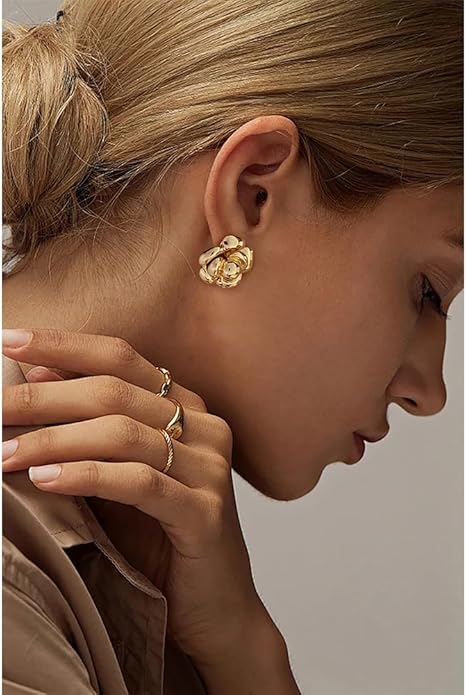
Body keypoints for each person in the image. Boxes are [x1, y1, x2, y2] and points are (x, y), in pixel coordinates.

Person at [2, 0, 463, 693]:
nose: (430, 392)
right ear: (252, 195)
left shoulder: (142, 546)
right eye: (427, 290)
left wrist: (246, 651)